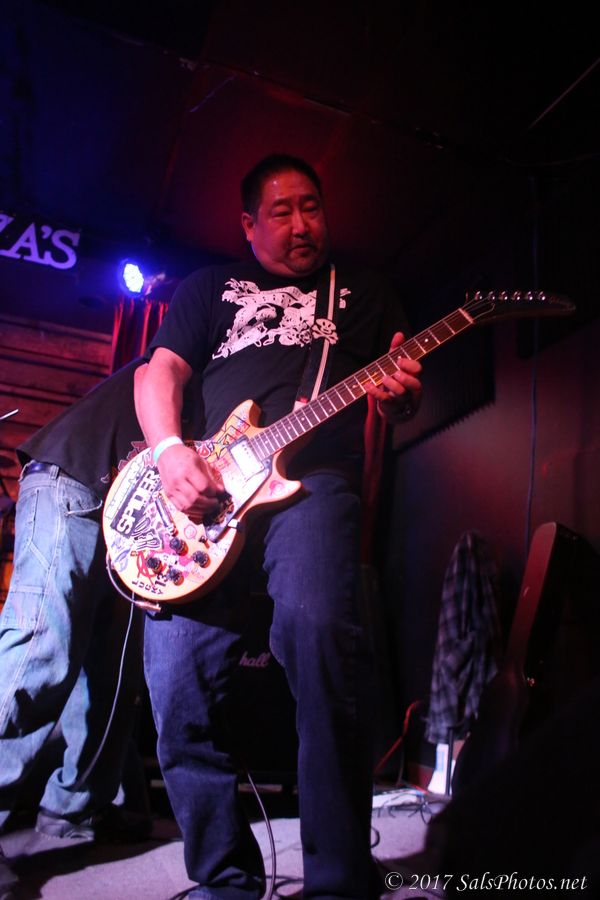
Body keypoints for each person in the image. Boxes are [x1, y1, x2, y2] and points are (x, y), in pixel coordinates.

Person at [137, 153, 423, 900]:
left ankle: (338, 881)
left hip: (310, 486)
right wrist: (170, 453)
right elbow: (159, 373)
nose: (302, 224)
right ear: (248, 224)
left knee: (322, 639)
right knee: (176, 683)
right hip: (207, 494)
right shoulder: (209, 288)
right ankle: (223, 880)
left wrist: (399, 400)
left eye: (312, 206)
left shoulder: (365, 293)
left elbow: (400, 392)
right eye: (282, 211)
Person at [0, 360, 155, 883]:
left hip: (129, 517)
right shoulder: (198, 345)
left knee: (111, 676)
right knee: (41, 650)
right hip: (72, 478)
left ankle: (73, 808)